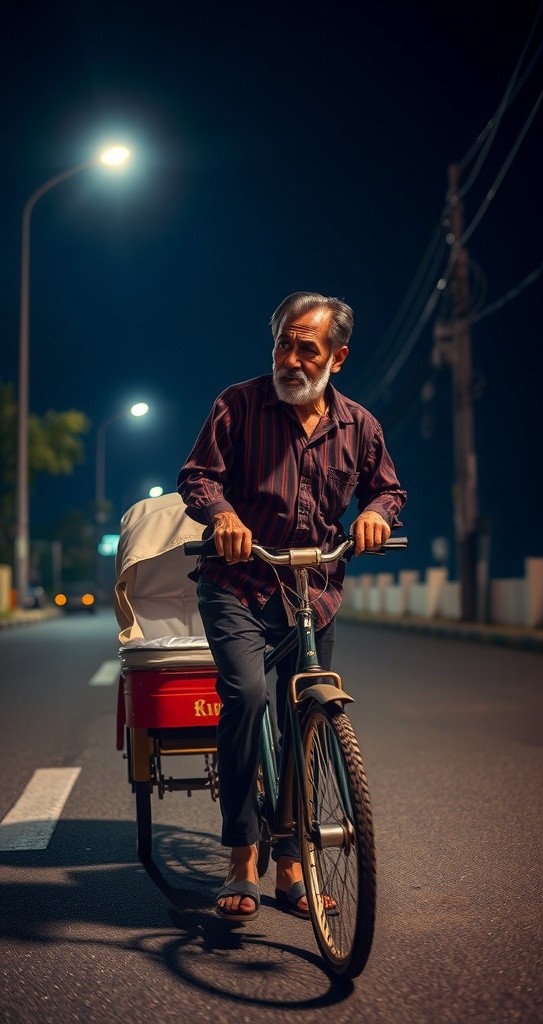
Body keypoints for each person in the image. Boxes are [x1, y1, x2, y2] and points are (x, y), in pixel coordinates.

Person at [177, 290, 406, 921]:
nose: (293, 358)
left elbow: (388, 490)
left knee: (300, 718)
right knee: (248, 697)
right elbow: (198, 476)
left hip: (313, 588)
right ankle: (242, 856)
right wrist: (221, 515)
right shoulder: (238, 404)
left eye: (308, 347)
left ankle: (291, 863)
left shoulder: (359, 426)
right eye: (284, 342)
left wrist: (375, 517)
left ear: (338, 356)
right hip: (238, 583)